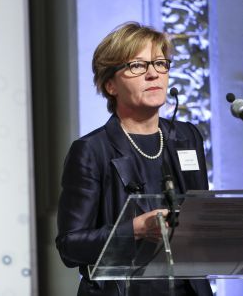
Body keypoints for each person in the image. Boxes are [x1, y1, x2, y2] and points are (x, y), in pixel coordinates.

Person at [55, 22, 213, 296]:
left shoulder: (187, 137)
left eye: (160, 63)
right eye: (138, 66)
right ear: (110, 85)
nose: (153, 74)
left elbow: (200, 217)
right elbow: (70, 246)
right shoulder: (91, 150)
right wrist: (135, 230)